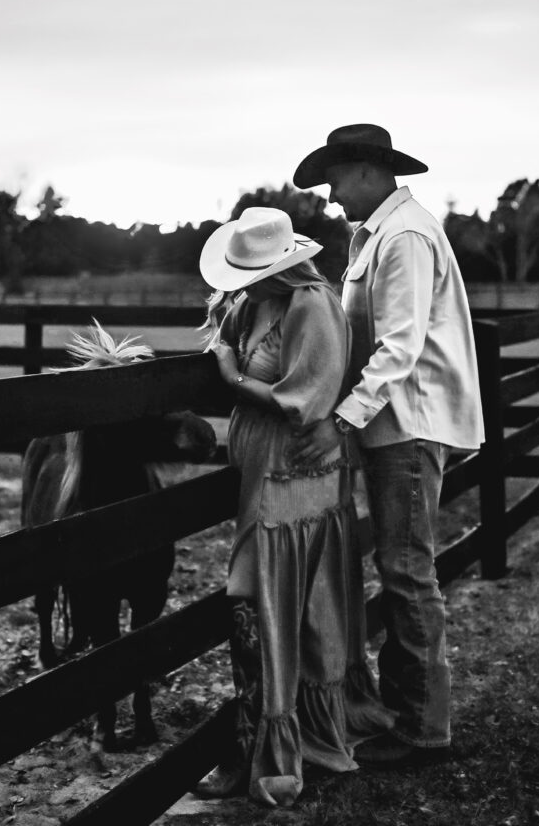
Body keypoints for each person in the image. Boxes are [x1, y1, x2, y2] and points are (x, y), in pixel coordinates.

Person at [291, 123, 485, 767]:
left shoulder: (401, 236)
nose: (333, 195)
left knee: (406, 570)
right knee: (404, 568)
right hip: (399, 421)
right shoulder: (383, 232)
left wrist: (340, 421)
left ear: (370, 172)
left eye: (338, 180)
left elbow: (398, 345)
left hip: (406, 424)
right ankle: (410, 714)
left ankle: (423, 729)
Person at [195, 206, 395, 808]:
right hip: (263, 473)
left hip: (296, 478)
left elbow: (304, 402)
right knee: (268, 606)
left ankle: (279, 745)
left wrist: (233, 381)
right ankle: (273, 735)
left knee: (269, 602)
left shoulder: (311, 303)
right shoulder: (251, 303)